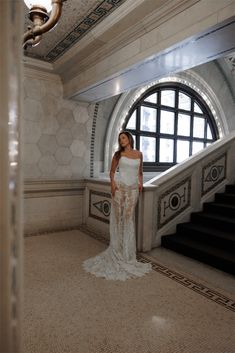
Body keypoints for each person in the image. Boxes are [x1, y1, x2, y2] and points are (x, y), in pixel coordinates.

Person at [83, 131, 152, 280]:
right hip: (120, 189)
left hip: (133, 190)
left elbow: (140, 172)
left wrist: (140, 183)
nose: (121, 140)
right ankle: (117, 250)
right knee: (118, 218)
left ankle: (127, 253)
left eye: (124, 138)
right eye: (120, 138)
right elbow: (112, 171)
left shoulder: (139, 154)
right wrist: (113, 185)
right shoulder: (118, 155)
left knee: (128, 218)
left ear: (129, 139)